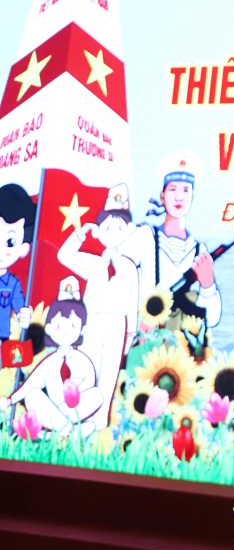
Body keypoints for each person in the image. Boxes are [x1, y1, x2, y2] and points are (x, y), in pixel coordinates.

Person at [57, 184, 139, 429]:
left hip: (117, 325)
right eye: (107, 227)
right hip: (92, 322)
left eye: (119, 227)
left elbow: (132, 303)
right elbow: (63, 256)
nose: (112, 232)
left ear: (129, 230)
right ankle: (75, 420)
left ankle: (99, 426)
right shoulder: (93, 263)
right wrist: (80, 234)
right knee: (86, 372)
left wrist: (129, 336)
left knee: (109, 376)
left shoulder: (129, 267)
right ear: (98, 231)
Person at [121, 153, 221, 329]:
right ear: (162, 196)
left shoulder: (199, 251)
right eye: (173, 189)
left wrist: (207, 285)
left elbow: (212, 319)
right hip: (145, 336)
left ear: (192, 196)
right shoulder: (144, 237)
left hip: (182, 342)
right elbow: (120, 283)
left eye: (186, 190)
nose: (179, 197)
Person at [0, 277, 102, 437]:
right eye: (59, 325)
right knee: (32, 395)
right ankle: (70, 432)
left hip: (73, 410)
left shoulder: (82, 360)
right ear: (48, 328)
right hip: (53, 411)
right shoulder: (50, 362)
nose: (66, 330)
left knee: (97, 395)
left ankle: (57, 432)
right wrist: (10, 400)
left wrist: (72, 395)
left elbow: (89, 383)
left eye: (73, 325)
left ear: (83, 330)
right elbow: (30, 384)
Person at [0, 183, 35, 340]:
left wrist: (25, 315)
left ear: (23, 248)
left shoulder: (12, 284)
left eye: (10, 242)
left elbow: (20, 308)